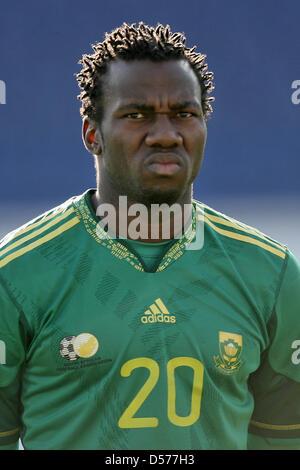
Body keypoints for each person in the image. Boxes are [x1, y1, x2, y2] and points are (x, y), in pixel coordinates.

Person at [0, 22, 300, 451]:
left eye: (184, 113)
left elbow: (284, 439)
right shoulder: (16, 275)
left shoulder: (272, 276)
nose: (165, 133)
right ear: (92, 135)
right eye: (136, 114)